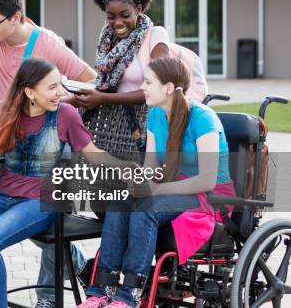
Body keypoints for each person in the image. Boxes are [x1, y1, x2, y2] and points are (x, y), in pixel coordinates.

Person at [0, 58, 132, 308]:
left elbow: (93, 154)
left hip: (43, 201)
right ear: (29, 92)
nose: (61, 93)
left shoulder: (65, 114)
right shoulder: (3, 111)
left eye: (60, 85)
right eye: (52, 87)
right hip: (3, 197)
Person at [0, 0, 97, 306]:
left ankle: (47, 297)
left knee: (45, 211)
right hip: (14, 138)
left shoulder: (47, 43)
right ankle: (76, 261)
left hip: (53, 137)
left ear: (17, 17)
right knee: (14, 214)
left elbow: (90, 79)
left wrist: (57, 97)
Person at [78, 57, 234, 308]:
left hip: (206, 197)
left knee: (146, 209)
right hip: (170, 187)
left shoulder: (204, 119)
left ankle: (129, 294)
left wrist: (156, 189)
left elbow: (206, 180)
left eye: (148, 82)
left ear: (169, 88)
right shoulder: (155, 117)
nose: (143, 88)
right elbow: (150, 170)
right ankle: (100, 290)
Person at [73, 0, 170, 110]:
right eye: (111, 17)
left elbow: (158, 88)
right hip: (116, 127)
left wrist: (103, 98)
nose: (118, 22)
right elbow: (102, 83)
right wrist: (66, 99)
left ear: (138, 9)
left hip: (150, 122)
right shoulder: (108, 41)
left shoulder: (155, 36)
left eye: (125, 15)